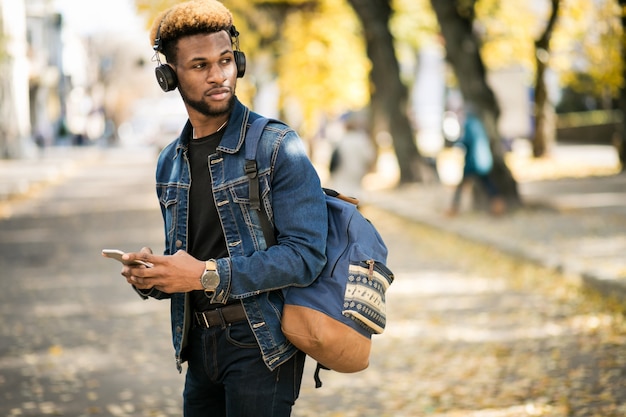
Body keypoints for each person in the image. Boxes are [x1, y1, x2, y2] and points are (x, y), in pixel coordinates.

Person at [118, 1, 328, 416]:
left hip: (261, 344)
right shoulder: (170, 161)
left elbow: (306, 256)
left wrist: (204, 273)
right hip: (197, 346)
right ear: (169, 76)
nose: (218, 75)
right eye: (199, 65)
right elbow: (191, 261)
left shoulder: (276, 146)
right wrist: (155, 279)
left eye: (226, 60)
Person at [447, 104, 505, 216]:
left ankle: (453, 208)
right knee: (487, 183)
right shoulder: (479, 124)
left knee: (461, 185)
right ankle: (498, 205)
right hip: (484, 160)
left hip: (473, 161)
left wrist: (457, 144)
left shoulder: (469, 124)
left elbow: (466, 141)